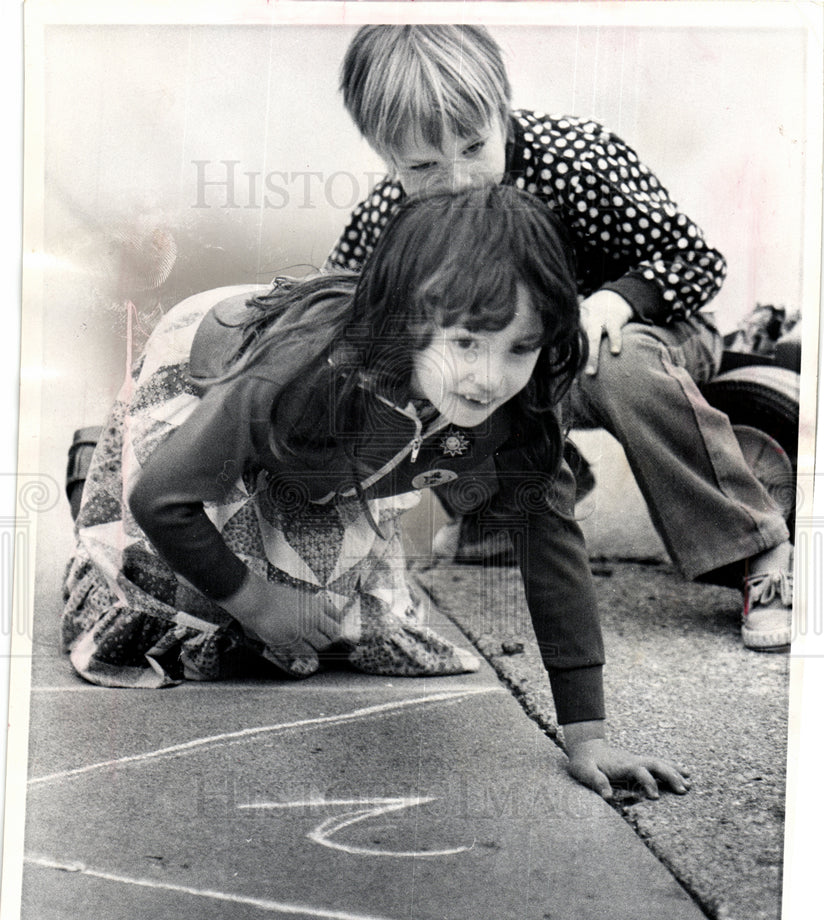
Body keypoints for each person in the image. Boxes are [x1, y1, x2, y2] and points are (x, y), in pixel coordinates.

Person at [61, 185, 689, 800]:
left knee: (340, 625)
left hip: (347, 444)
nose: (489, 378)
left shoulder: (520, 403)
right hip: (221, 369)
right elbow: (162, 500)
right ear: (406, 320)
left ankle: (291, 515)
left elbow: (550, 544)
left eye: (519, 348)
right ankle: (95, 456)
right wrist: (254, 602)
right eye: (466, 342)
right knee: (180, 597)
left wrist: (588, 736)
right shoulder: (298, 370)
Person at [324, 24, 794, 652]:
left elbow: (695, 258)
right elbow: (343, 316)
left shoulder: (574, 158)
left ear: (501, 107)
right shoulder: (391, 216)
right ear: (385, 156)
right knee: (414, 361)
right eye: (424, 166)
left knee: (610, 364)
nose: (459, 179)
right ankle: (504, 506)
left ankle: (756, 548)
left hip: (645, 340)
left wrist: (615, 300)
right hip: (524, 373)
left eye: (472, 146)